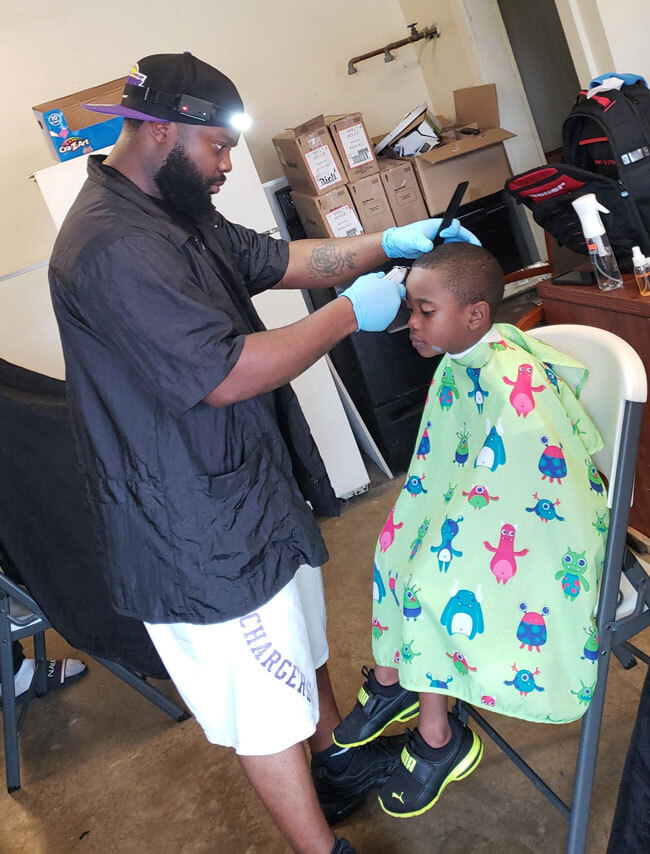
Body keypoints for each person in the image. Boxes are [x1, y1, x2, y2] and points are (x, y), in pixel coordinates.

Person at [47, 52, 479, 854]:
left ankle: (334, 765)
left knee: (301, 642)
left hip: (240, 486)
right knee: (263, 700)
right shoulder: (111, 247)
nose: (224, 165)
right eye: (216, 147)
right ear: (161, 132)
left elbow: (282, 260)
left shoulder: (171, 205)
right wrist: (350, 314)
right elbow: (226, 373)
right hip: (189, 523)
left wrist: (390, 241)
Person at [334, 243, 609, 820]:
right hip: (495, 508)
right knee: (394, 548)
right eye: (412, 308)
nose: (410, 322)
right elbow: (449, 467)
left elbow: (536, 477)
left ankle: (439, 736)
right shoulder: (463, 363)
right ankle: (396, 676)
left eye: (423, 310)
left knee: (429, 582)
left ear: (475, 316)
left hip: (548, 528)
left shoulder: (511, 376)